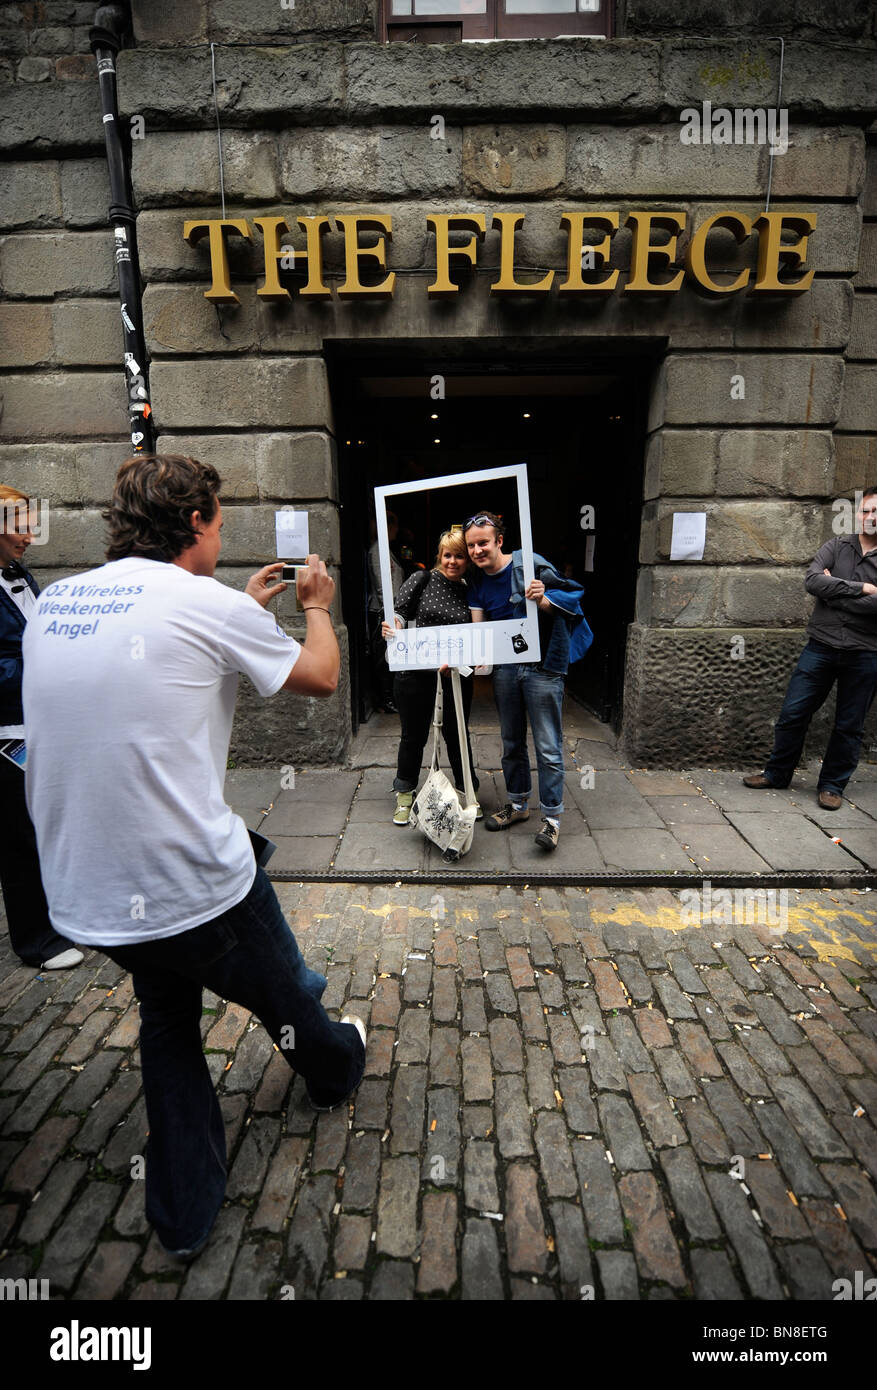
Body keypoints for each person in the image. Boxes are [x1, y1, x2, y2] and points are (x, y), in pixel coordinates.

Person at [22, 454, 366, 1259]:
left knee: (167, 1018)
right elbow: (317, 676)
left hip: (86, 893)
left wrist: (238, 612)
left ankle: (181, 1215)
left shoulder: (58, 602)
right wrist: (316, 607)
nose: (222, 530)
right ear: (198, 523)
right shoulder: (202, 602)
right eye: (219, 518)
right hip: (192, 884)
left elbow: (150, 671)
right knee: (286, 1000)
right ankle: (333, 1067)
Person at [743, 486, 877, 809]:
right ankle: (777, 772)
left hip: (865, 652)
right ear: (857, 514)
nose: (870, 518)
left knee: (849, 725)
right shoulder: (836, 545)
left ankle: (832, 785)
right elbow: (812, 581)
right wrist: (862, 589)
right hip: (822, 646)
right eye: (866, 511)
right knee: (793, 712)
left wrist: (832, 594)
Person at [463, 510, 588, 852]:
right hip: (505, 668)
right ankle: (518, 805)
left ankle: (551, 819)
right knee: (511, 740)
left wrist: (544, 598)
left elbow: (573, 597)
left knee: (548, 744)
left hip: (542, 667)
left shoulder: (529, 565)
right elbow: (478, 626)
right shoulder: (475, 579)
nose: (477, 551)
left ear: (499, 541)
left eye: (483, 543)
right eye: (472, 545)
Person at [0, 484, 83, 970]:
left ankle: (61, 919)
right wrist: (43, 664)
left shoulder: (21, 576)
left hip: (39, 725)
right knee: (19, 836)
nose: (29, 536)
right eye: (19, 526)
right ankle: (36, 941)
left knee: (46, 827)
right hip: (7, 732)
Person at [381, 527, 481, 825]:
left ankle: (468, 793)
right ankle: (404, 795)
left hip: (456, 677)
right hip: (415, 675)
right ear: (440, 556)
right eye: (447, 555)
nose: (453, 561)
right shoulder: (422, 579)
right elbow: (399, 613)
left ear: (468, 560)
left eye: (459, 556)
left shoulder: (471, 589)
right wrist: (393, 627)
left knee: (457, 735)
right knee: (413, 736)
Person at [367, 510, 404, 713]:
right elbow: (382, 585)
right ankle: (386, 700)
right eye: (395, 526)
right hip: (384, 611)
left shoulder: (385, 549)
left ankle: (388, 698)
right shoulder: (378, 550)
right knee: (384, 658)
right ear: (388, 527)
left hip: (389, 610)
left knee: (389, 656)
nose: (397, 531)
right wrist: (389, 611)